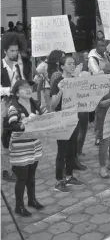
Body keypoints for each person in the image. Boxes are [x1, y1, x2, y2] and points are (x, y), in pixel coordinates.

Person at [5, 80, 46, 216]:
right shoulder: (13, 107)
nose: (28, 90)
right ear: (17, 93)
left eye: (29, 87)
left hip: (34, 145)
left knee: (32, 176)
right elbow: (13, 125)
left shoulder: (37, 104)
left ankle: (32, 200)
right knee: (22, 178)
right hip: (20, 148)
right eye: (23, 88)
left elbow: (48, 117)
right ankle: (19, 206)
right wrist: (25, 123)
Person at [1, 32, 32, 183]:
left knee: (13, 136)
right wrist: (9, 90)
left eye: (16, 50)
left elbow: (22, 83)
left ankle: (14, 166)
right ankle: (6, 171)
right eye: (12, 50)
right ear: (5, 50)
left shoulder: (18, 67)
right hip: (2, 106)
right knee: (4, 138)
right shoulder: (1, 66)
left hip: (14, 105)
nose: (15, 53)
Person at [50, 55, 84, 193]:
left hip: (74, 118)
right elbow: (53, 105)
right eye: (69, 63)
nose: (72, 65)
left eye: (73, 63)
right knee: (62, 151)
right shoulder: (58, 81)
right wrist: (61, 91)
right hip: (61, 120)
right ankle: (59, 181)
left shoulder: (75, 80)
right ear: (62, 66)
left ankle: (69, 177)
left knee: (72, 150)